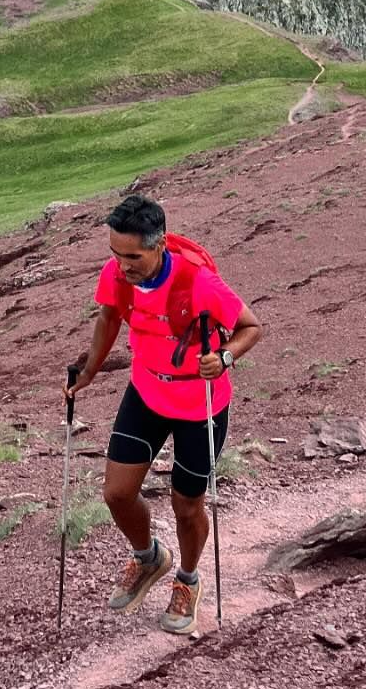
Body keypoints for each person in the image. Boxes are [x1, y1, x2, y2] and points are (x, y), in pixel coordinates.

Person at [66, 192, 263, 635]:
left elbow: (252, 327)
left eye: (132, 255)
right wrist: (90, 371)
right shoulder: (118, 275)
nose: (122, 265)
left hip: (200, 404)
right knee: (116, 494)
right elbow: (108, 319)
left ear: (158, 245)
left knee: (186, 504)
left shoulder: (198, 283)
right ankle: (149, 557)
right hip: (146, 392)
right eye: (115, 254)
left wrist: (226, 358)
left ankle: (188, 581)